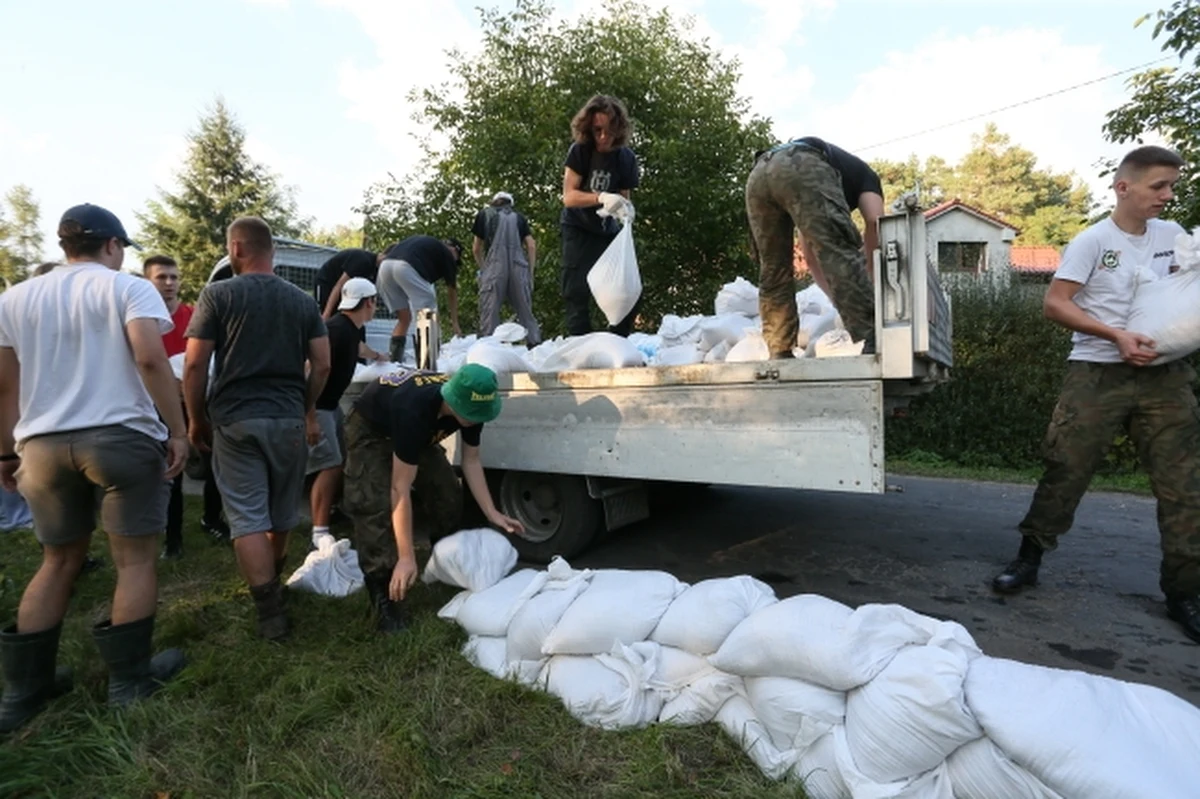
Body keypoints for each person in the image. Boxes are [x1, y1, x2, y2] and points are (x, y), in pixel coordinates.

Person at [992, 145, 1200, 644]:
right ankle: (1029, 559)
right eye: (1159, 187)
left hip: (1165, 376)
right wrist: (1117, 337)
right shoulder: (1092, 241)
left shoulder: (1174, 237)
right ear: (1123, 187)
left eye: (1172, 186)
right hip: (1096, 371)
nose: (1168, 196)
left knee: (1186, 484)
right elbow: (1055, 304)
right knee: (1067, 467)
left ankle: (1185, 594)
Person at [0, 204, 187, 732]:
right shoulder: (127, 288)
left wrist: (5, 454)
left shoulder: (13, 299)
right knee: (133, 560)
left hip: (39, 446)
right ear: (112, 246)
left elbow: (5, 385)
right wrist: (176, 430)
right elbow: (151, 359)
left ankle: (22, 694)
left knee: (58, 560)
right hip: (119, 439)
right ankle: (128, 684)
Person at [184, 217, 330, 641]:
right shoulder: (301, 301)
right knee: (283, 511)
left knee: (247, 516)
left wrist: (196, 419)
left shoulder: (217, 295)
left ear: (235, 249)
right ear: (272, 251)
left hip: (235, 419)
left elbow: (194, 364)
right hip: (287, 418)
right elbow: (321, 364)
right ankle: (276, 584)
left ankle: (269, 612)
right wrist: (307, 410)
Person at [341, 364, 523, 633]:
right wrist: (406, 556)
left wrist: (492, 512)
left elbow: (471, 461)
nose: (474, 420)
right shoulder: (414, 408)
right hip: (373, 429)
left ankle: (444, 564)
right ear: (453, 400)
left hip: (420, 432)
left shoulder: (474, 404)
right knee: (373, 504)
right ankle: (383, 590)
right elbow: (399, 490)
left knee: (447, 493)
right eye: (470, 415)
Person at [745, 136, 882, 358]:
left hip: (759, 173)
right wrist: (870, 273)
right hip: (801, 164)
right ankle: (872, 338)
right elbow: (875, 222)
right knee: (839, 252)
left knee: (773, 267)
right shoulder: (868, 177)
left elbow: (810, 258)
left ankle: (779, 350)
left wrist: (837, 299)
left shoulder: (815, 194)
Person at [560, 94, 640, 337]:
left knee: (626, 288)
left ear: (619, 130)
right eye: (597, 130)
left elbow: (624, 198)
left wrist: (624, 211)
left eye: (609, 130)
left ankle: (618, 342)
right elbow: (569, 196)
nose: (604, 137)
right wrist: (601, 197)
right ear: (589, 129)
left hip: (607, 230)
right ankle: (580, 345)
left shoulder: (626, 158)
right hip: (578, 227)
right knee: (576, 290)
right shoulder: (580, 152)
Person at [307, 277, 379, 547]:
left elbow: (358, 348)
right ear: (369, 302)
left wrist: (377, 356)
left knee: (342, 460)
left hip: (331, 406)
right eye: (374, 302)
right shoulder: (335, 330)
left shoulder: (349, 328)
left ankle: (331, 514)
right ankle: (319, 532)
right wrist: (309, 416)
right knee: (330, 466)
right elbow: (309, 369)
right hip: (319, 407)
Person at [143, 255, 192, 559]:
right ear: (147, 281)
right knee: (152, 472)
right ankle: (152, 533)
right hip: (148, 405)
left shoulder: (194, 315)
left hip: (189, 403)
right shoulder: (139, 318)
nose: (170, 283)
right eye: (162, 277)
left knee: (181, 470)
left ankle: (177, 538)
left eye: (174, 277)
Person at [376, 236, 463, 363]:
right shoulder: (447, 254)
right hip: (407, 267)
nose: (454, 262)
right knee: (427, 316)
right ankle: (427, 366)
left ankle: (394, 362)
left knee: (404, 319)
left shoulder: (425, 245)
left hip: (385, 267)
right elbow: (452, 291)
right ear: (455, 250)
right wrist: (455, 323)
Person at [472, 192, 541, 344]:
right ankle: (534, 347)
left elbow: (476, 249)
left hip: (494, 268)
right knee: (525, 312)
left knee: (490, 312)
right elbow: (531, 245)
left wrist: (484, 269)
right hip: (519, 268)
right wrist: (530, 272)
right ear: (510, 203)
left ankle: (488, 351)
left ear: (494, 201)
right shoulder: (519, 218)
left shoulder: (484, 215)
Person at [313, 247, 384, 320]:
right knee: (324, 313)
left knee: (337, 316)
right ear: (382, 255)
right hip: (326, 282)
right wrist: (326, 313)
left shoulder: (375, 270)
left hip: (342, 290)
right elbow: (339, 285)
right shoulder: (363, 261)